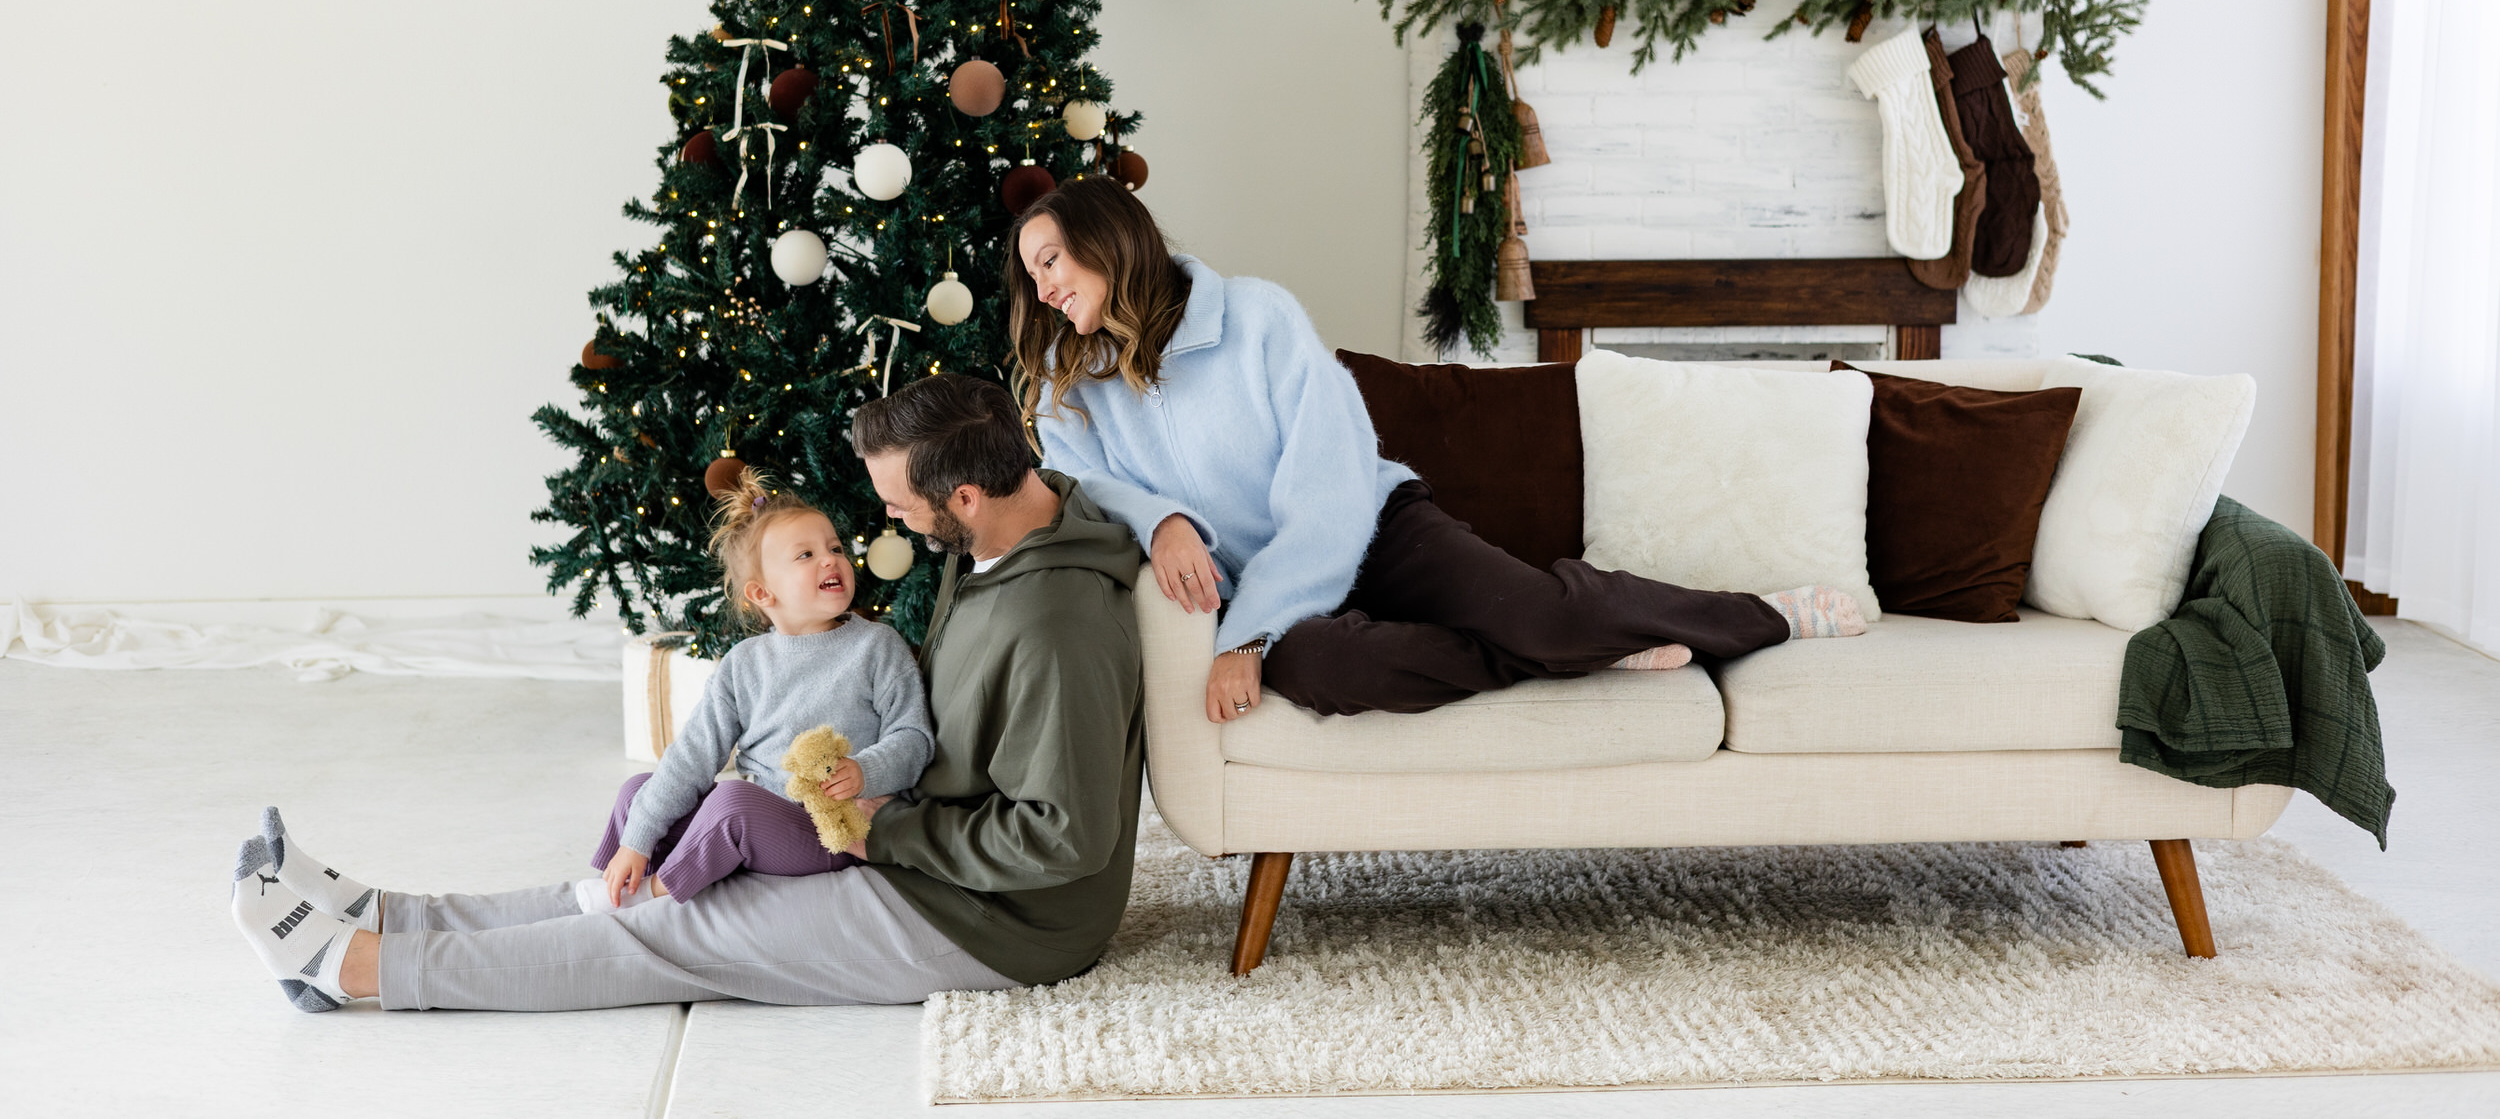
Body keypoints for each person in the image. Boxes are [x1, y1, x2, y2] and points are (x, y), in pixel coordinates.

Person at [225, 373, 1144, 1013]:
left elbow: (1066, 837)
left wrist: (881, 825)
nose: (887, 524)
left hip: (994, 917)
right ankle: (390, 913)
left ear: (971, 493)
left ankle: (359, 967)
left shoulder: (1055, 627)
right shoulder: (1003, 536)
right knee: (641, 855)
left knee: (670, 926)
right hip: (903, 839)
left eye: (902, 506)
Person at [1007, 176, 1864, 726]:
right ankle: (1578, 647)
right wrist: (1162, 522)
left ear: (1108, 240)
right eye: (1033, 275)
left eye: (1052, 260)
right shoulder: (1072, 385)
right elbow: (1084, 485)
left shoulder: (1256, 319)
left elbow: (1328, 481)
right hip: (1280, 604)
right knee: (1329, 670)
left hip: (1377, 529)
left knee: (1543, 614)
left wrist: (1248, 630)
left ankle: (1765, 613)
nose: (1043, 286)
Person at [583, 465, 933, 912]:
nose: (831, 559)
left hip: (833, 833)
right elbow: (693, 754)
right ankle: (615, 881)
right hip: (764, 821)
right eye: (805, 556)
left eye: (835, 548)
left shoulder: (877, 645)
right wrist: (636, 840)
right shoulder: (744, 663)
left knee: (732, 802)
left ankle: (650, 897)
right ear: (763, 594)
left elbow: (915, 740)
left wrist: (864, 771)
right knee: (638, 791)